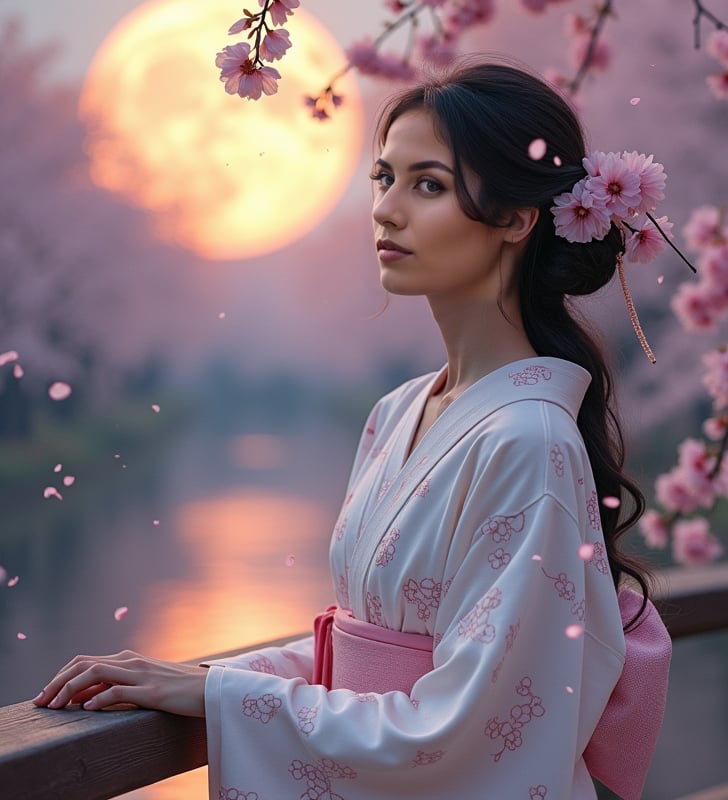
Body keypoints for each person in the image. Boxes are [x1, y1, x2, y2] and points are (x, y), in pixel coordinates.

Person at [34, 60, 671, 800]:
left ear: (517, 219)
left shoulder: (529, 442)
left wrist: (222, 700)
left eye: (427, 185)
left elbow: (471, 731)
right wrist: (215, 679)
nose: (386, 210)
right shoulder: (398, 412)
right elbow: (364, 646)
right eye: (383, 178)